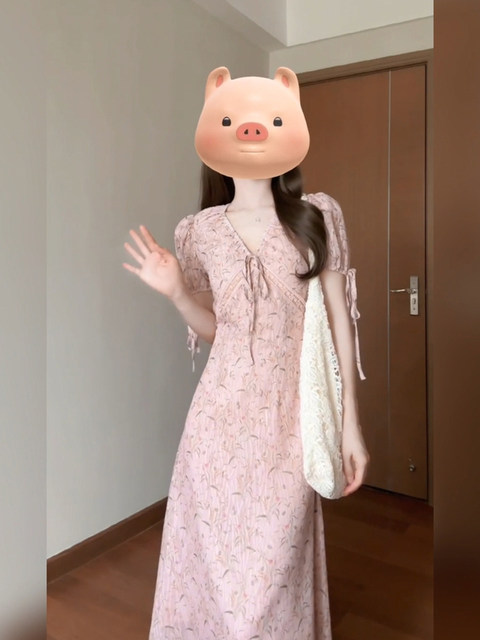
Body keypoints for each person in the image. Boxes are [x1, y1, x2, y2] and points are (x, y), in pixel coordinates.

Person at [123, 67, 369, 639]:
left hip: (289, 423)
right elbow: (217, 330)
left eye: (269, 120)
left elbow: (340, 322)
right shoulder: (199, 231)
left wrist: (349, 427)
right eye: (233, 120)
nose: (251, 131)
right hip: (217, 424)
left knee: (271, 576)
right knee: (214, 568)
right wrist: (177, 292)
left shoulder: (318, 216)